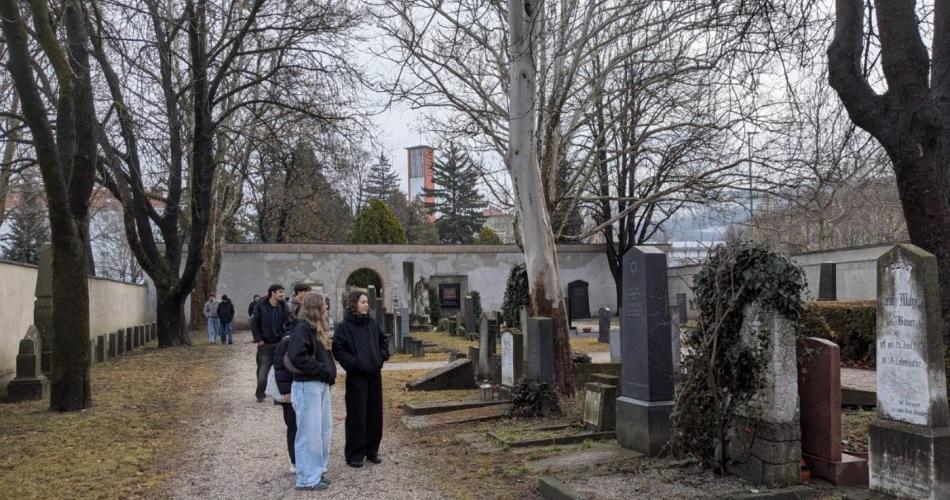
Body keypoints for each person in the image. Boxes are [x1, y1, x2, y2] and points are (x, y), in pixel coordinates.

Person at [332, 290, 390, 468]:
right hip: (356, 377)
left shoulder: (372, 323)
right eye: (363, 302)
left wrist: (380, 358)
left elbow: (383, 342)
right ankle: (355, 454)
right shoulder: (344, 327)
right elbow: (338, 349)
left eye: (367, 302)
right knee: (357, 415)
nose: (366, 305)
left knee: (374, 414)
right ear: (354, 304)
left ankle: (372, 451)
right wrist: (355, 364)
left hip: (374, 375)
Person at [286, 292, 336, 491]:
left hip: (319, 384)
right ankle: (307, 478)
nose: (327, 307)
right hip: (307, 385)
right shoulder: (302, 329)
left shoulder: (316, 328)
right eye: (324, 304)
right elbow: (298, 357)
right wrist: (322, 370)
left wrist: (328, 374)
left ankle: (317, 471)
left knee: (322, 431)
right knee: (309, 433)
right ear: (316, 306)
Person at [251, 284, 290, 402]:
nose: (282, 294)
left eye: (283, 292)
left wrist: (283, 338)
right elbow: (254, 323)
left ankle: (278, 395)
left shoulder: (284, 306)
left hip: (279, 344)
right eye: (280, 292)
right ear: (272, 293)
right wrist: (259, 339)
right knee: (263, 372)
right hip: (265, 345)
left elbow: (287, 324)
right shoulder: (261, 305)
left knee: (280, 371)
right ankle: (260, 394)